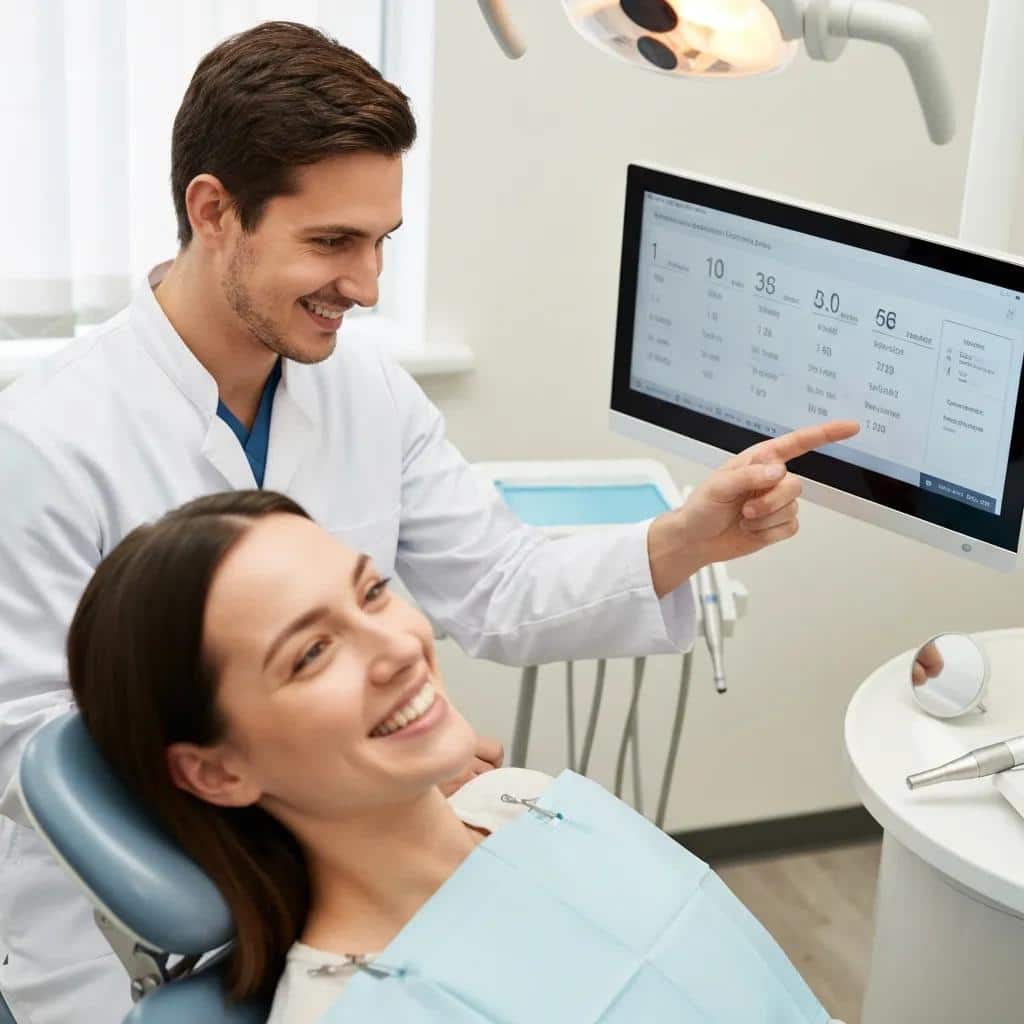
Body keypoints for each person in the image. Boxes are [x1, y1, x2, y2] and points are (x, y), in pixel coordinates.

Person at [0, 19, 857, 1023]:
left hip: (368, 879)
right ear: (213, 211)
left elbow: (494, 586)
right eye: (330, 242)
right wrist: (375, 781)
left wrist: (685, 542)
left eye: (379, 243)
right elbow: (46, 762)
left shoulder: (364, 388)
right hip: (120, 941)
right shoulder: (45, 441)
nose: (364, 287)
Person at [67, 491, 843, 1023]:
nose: (398, 647)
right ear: (218, 771)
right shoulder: (349, 1007)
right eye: (310, 653)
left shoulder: (525, 801)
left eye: (372, 593)